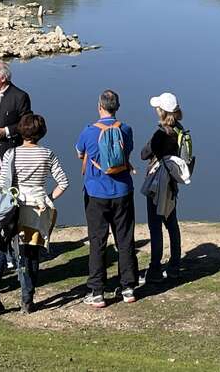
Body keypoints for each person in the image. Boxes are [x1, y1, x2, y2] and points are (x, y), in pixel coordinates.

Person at [0, 113, 69, 315]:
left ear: (21, 131)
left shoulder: (10, 154)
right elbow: (64, 183)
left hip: (13, 208)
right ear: (41, 133)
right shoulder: (47, 154)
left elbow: (4, 184)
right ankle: (27, 299)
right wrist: (49, 197)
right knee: (31, 254)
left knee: (2, 249)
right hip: (37, 209)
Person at [75, 90, 138, 307]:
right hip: (123, 191)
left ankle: (97, 291)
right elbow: (127, 152)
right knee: (125, 239)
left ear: (99, 106)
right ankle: (128, 287)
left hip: (95, 193)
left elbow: (79, 154)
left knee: (97, 241)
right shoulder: (126, 130)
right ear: (117, 107)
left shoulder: (89, 131)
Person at [141, 92, 186, 283]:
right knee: (172, 224)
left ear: (162, 111)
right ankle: (174, 266)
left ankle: (155, 270)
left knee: (155, 227)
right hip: (172, 185)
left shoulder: (160, 133)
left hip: (157, 186)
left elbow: (144, 154)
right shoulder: (180, 130)